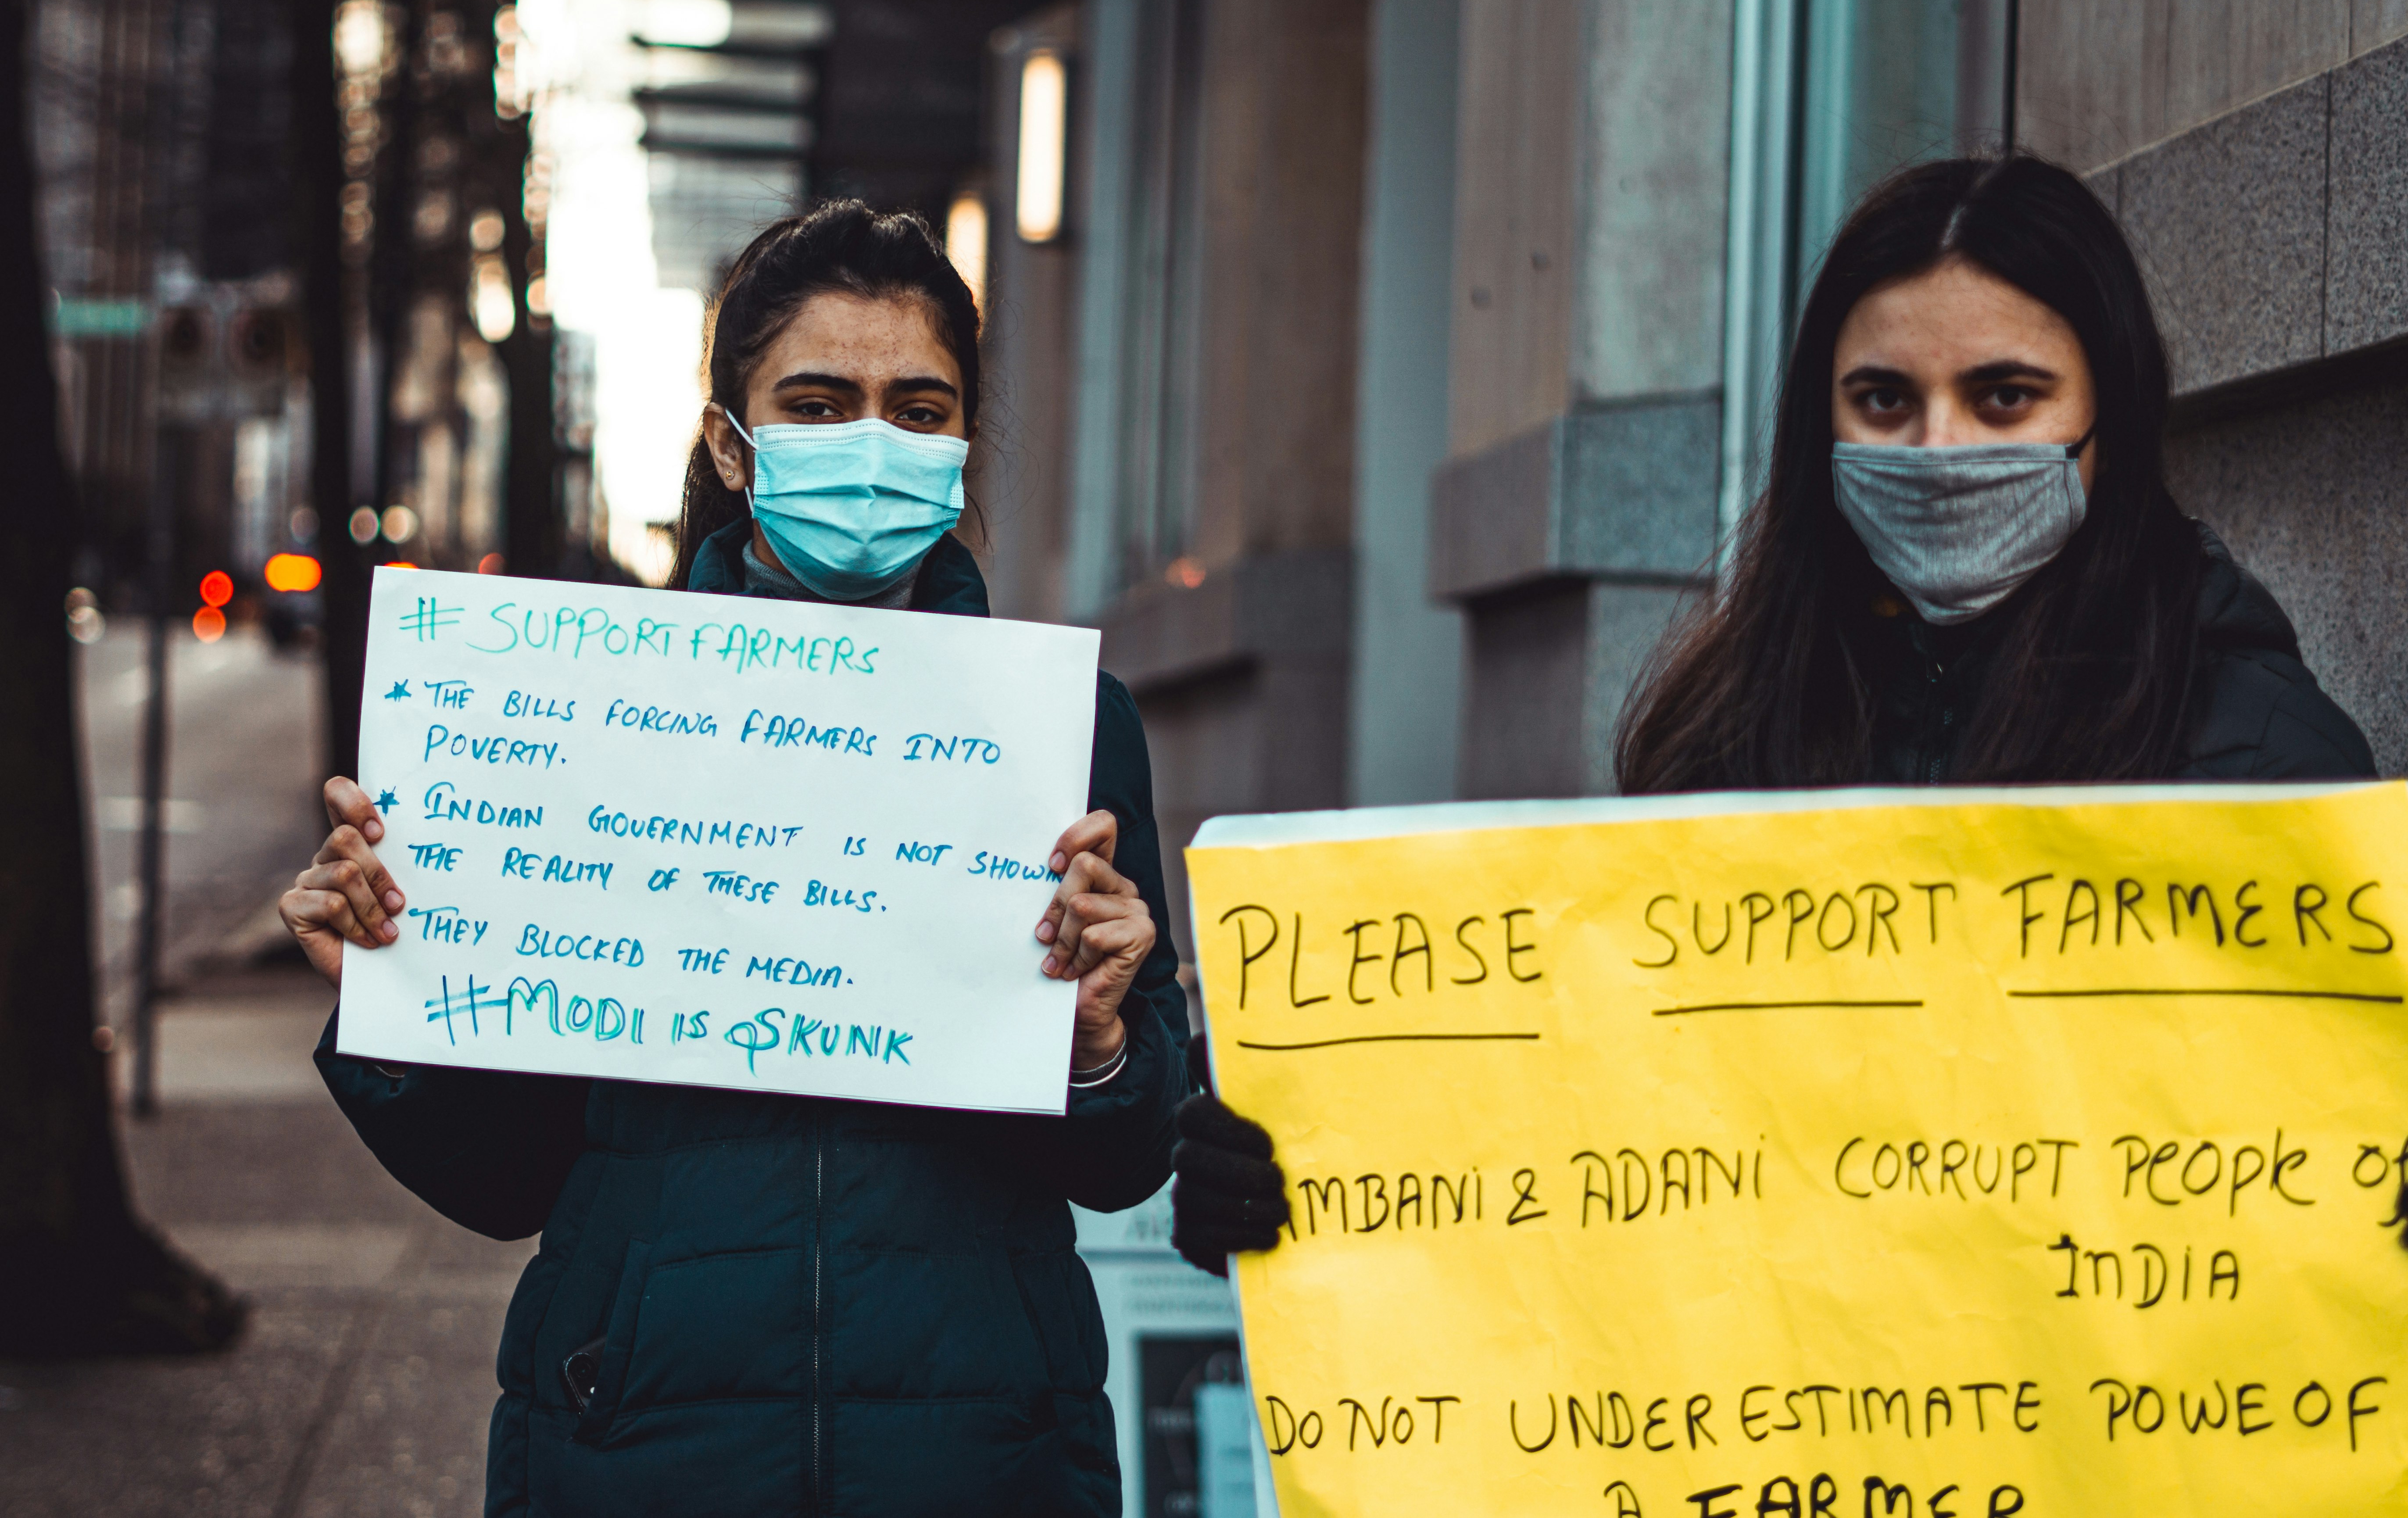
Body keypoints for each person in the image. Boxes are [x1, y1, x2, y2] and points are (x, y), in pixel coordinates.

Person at [1166, 152, 2377, 1274]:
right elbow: (1593, 1138)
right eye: (1884, 400)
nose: (1939, 446)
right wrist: (1310, 1183)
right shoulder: (1728, 733)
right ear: (1822, 424)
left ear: (2111, 416)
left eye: (2004, 396)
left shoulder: (2251, 758)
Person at [283, 200, 1190, 1516]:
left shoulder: (1064, 734)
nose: (872, 444)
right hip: (641, 1441)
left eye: (918, 409)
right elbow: (507, 1181)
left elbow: (1121, 1164)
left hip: (976, 1454)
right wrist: (393, 1000)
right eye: (818, 404)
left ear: (961, 444)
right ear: (733, 440)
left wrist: (1103, 1039)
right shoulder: (578, 719)